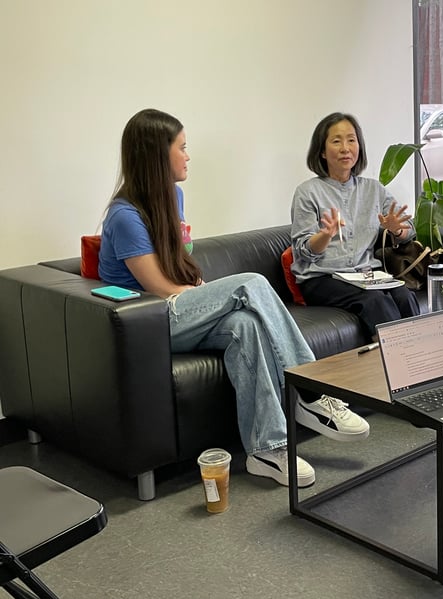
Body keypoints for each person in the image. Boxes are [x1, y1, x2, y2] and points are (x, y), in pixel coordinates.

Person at [97, 108, 370, 489]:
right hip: (148, 322)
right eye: (183, 148)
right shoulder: (124, 216)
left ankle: (268, 449)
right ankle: (312, 388)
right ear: (157, 155)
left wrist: (202, 288)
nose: (189, 156)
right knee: (250, 285)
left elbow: (177, 262)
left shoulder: (171, 196)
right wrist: (209, 294)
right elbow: (158, 288)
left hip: (178, 309)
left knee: (245, 326)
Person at [290, 112, 420, 338]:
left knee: (403, 294)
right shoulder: (307, 192)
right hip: (322, 278)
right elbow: (303, 252)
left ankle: (421, 362)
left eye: (351, 140)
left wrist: (396, 229)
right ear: (322, 151)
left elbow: (409, 231)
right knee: (374, 301)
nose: (345, 148)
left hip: (364, 274)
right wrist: (325, 235)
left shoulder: (373, 189)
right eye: (336, 141)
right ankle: (396, 366)